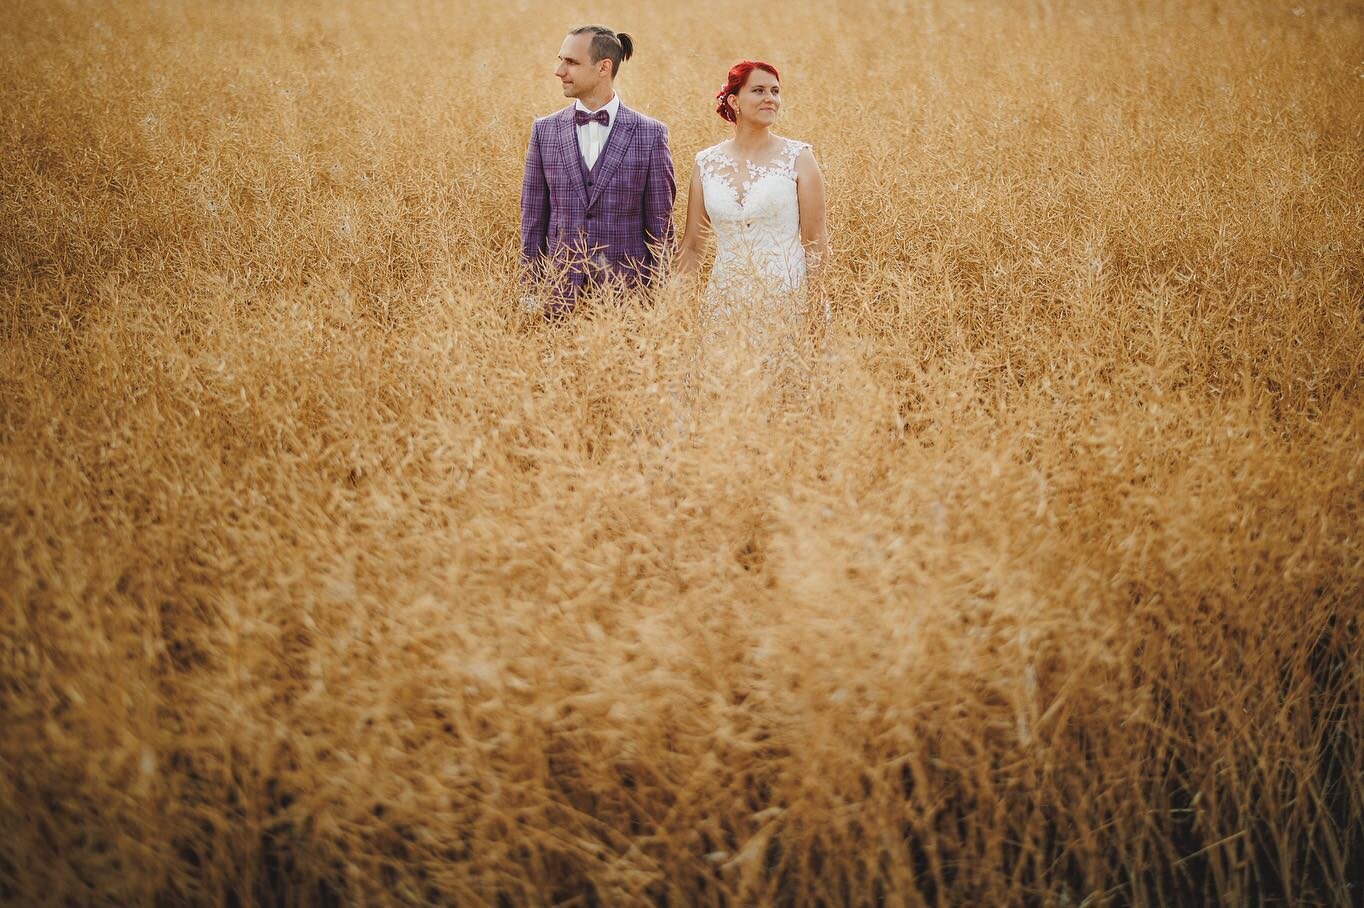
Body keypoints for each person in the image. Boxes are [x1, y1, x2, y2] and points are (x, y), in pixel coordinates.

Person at [519, 26, 677, 317]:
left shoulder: (650, 134)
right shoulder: (544, 131)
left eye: (571, 62)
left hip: (628, 301)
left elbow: (661, 231)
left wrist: (661, 302)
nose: (559, 70)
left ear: (604, 67)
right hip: (558, 298)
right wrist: (530, 292)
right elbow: (532, 222)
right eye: (561, 60)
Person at [674, 61, 829, 340]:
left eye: (775, 91)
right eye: (758, 90)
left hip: (787, 299)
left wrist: (816, 309)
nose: (770, 98)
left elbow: (815, 242)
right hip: (724, 299)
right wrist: (677, 310)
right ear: (734, 101)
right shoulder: (706, 162)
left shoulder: (800, 157)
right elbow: (692, 246)